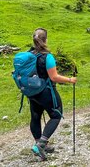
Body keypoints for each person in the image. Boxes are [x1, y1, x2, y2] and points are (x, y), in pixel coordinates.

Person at [28, 27, 77, 161]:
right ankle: (41, 145)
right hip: (45, 91)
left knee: (35, 117)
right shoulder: (47, 56)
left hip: (32, 92)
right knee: (56, 115)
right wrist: (70, 80)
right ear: (45, 40)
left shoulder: (29, 54)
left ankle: (39, 143)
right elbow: (54, 77)